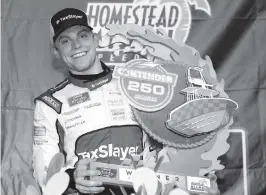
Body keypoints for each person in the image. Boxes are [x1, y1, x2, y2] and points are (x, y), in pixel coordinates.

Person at [32, 7, 220, 195]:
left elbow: (173, 141)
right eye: (65, 41)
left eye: (82, 36)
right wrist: (72, 178)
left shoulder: (137, 83)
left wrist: (196, 175)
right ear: (56, 51)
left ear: (96, 39)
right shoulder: (49, 103)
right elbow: (45, 175)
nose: (76, 45)